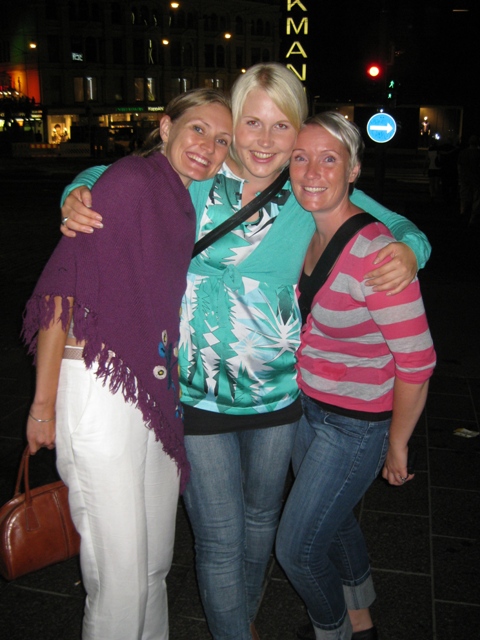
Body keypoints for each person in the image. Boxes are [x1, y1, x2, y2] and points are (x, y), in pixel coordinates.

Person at [58, 64, 431, 640]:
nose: (264, 140)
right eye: (251, 122)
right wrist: (75, 193)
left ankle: (244, 617)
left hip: (279, 394)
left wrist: (409, 250)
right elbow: (116, 173)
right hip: (197, 391)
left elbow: (400, 225)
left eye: (281, 125)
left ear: (297, 128)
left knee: (261, 523)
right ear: (233, 122)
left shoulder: (304, 190)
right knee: (218, 537)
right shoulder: (199, 177)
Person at [22, 88, 232, 640]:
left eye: (222, 140)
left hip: (150, 388)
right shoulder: (131, 181)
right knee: (121, 578)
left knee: (154, 565)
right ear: (165, 127)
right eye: (198, 129)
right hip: (98, 386)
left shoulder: (183, 197)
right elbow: (62, 292)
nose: (208, 147)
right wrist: (42, 406)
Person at [275, 113, 436, 640]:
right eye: (300, 158)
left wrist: (397, 444)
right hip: (308, 407)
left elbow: (418, 361)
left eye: (329, 159)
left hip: (356, 424)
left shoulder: (374, 254)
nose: (312, 172)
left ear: (353, 170)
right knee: (335, 519)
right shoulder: (304, 228)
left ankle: (333, 631)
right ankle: (361, 616)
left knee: (297, 549)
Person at [457, 134, 480, 224]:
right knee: (476, 198)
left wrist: (460, 175)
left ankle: (462, 211)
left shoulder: (463, 152)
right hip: (476, 178)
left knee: (464, 196)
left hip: (465, 177)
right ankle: (472, 216)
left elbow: (459, 166)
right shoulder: (478, 153)